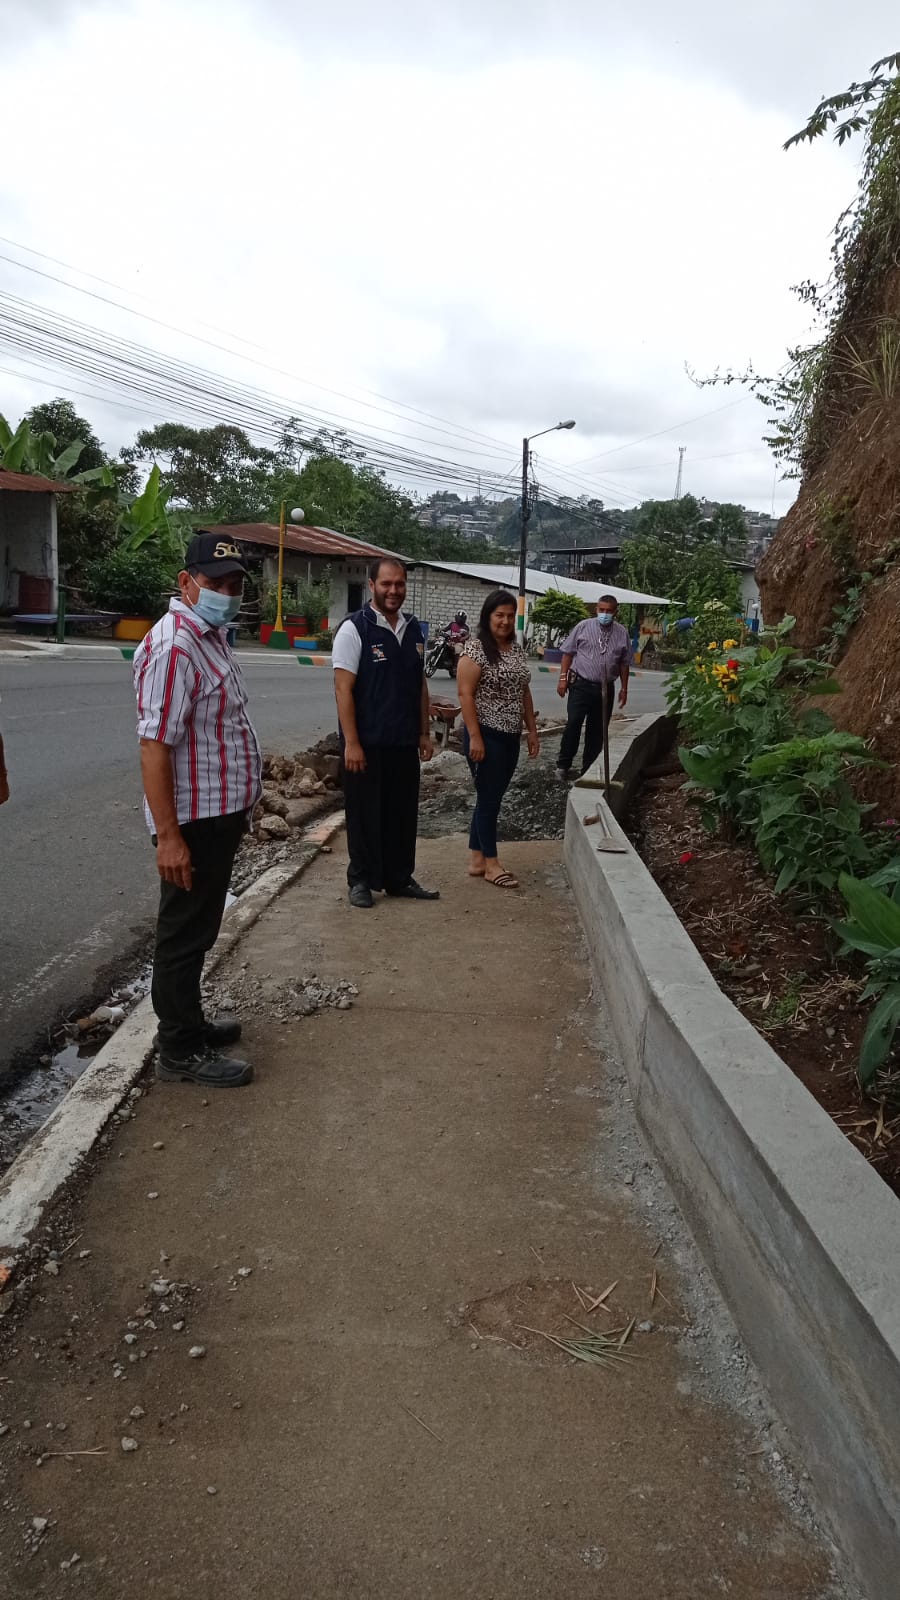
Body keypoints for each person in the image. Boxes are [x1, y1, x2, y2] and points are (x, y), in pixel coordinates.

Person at [134, 530, 262, 1088]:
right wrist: (169, 837)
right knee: (182, 936)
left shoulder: (210, 637)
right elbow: (154, 746)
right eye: (216, 583)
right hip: (191, 821)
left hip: (216, 817)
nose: (227, 594)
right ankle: (179, 1050)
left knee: (200, 929)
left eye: (235, 585)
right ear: (186, 582)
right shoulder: (176, 647)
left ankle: (191, 1022)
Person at [332, 556, 438, 909]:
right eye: (387, 584)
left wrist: (424, 733)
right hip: (366, 744)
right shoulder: (355, 629)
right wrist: (351, 743)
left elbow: (419, 685)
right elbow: (343, 689)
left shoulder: (414, 630)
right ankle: (361, 879)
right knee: (364, 814)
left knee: (401, 814)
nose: (394, 590)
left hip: (403, 741)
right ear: (372, 585)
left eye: (399, 584)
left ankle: (398, 877)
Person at [457, 590, 539, 888]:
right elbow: (465, 695)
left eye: (509, 616)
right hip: (486, 736)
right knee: (489, 800)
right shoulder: (475, 650)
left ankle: (477, 859)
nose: (504, 621)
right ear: (488, 616)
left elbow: (523, 691)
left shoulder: (516, 649)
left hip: (510, 736)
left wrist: (531, 730)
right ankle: (491, 864)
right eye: (499, 615)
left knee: (490, 797)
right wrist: (475, 738)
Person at [555, 593, 630, 780]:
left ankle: (587, 770)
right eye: (601, 610)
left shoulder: (622, 633)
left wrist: (624, 689)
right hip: (580, 684)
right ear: (596, 609)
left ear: (615, 612)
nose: (605, 614)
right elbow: (567, 653)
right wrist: (562, 679)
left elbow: (624, 663)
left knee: (597, 730)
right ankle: (563, 765)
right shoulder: (583, 626)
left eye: (609, 611)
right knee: (573, 723)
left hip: (605, 688)